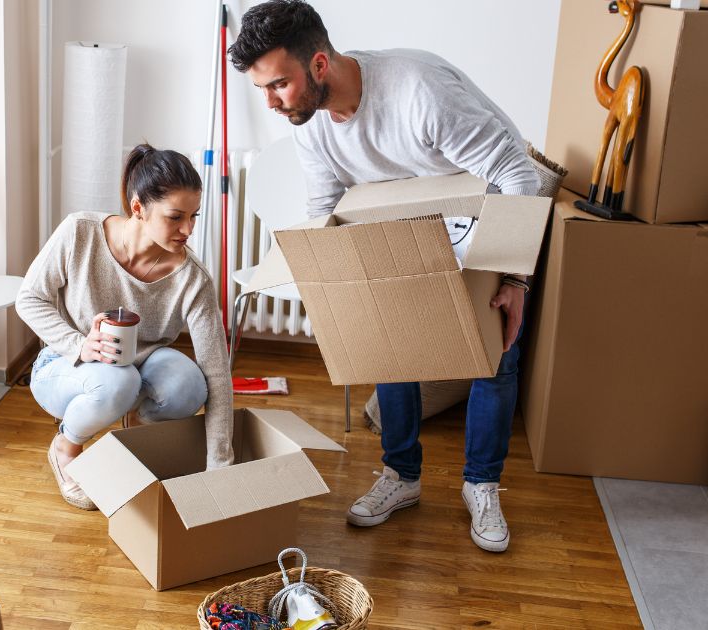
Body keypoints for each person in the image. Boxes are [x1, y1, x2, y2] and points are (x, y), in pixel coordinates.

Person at [229, 0, 539, 552]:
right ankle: (403, 476)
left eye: (279, 85)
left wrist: (515, 279)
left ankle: (482, 485)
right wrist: (338, 295)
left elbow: (516, 175)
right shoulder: (311, 124)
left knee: (496, 356)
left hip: (486, 214)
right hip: (407, 225)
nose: (272, 104)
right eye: (263, 91)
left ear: (319, 65)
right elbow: (326, 204)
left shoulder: (420, 94)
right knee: (392, 346)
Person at [15, 144, 235, 510]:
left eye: (194, 216)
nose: (188, 229)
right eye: (176, 217)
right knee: (119, 380)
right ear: (138, 208)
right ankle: (66, 447)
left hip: (139, 367)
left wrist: (220, 466)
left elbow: (216, 374)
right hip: (64, 366)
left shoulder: (192, 279)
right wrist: (78, 344)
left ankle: (134, 438)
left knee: (190, 383)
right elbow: (29, 298)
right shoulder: (80, 232)